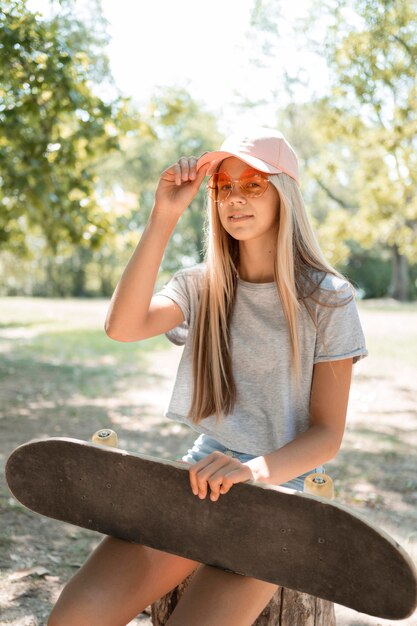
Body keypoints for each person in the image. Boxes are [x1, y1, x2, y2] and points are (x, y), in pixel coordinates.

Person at [48, 127, 367, 626]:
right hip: (199, 477)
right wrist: (164, 216)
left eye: (253, 185)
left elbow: (327, 436)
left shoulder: (329, 298)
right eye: (223, 188)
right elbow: (122, 326)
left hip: (282, 495)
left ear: (285, 193)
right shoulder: (201, 285)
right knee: (74, 618)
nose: (234, 198)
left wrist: (253, 472)